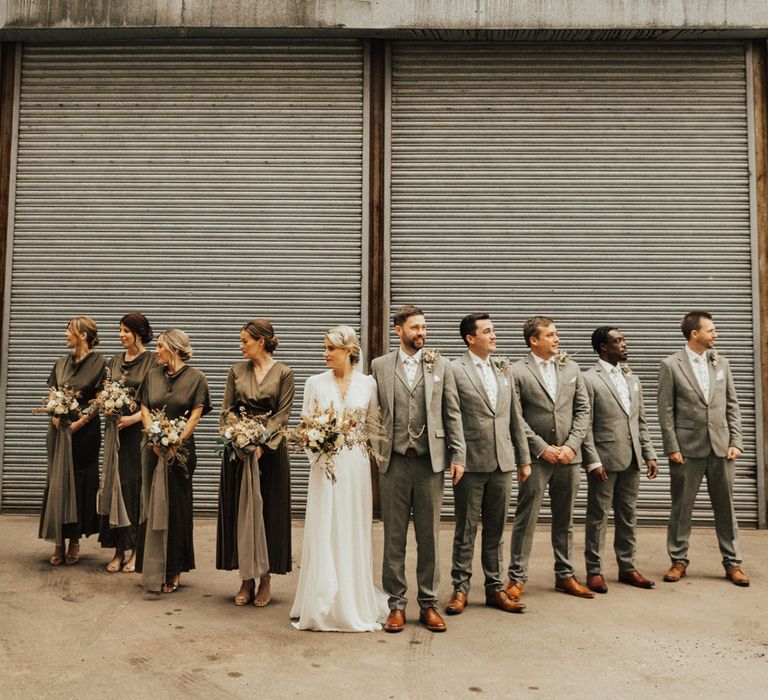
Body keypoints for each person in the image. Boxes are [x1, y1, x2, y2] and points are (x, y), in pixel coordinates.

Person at [371, 305, 466, 633]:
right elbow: (374, 410)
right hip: (394, 462)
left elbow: (453, 413)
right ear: (398, 330)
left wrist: (459, 456)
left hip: (430, 463)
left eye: (423, 327)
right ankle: (395, 604)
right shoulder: (380, 365)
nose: (421, 333)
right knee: (393, 537)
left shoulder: (441, 363)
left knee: (429, 537)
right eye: (414, 328)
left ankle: (429, 604)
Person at [290, 326, 388, 631]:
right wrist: (318, 447)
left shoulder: (368, 384)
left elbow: (373, 427)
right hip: (324, 465)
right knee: (325, 527)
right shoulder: (314, 383)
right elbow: (306, 426)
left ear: (348, 350)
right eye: (325, 348)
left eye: (331, 348)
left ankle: (353, 599)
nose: (325, 354)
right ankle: (321, 603)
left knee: (352, 527)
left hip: (355, 467)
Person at [446, 314, 529, 616]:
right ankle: (460, 589)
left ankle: (495, 587)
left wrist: (523, 458)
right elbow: (452, 416)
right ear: (471, 338)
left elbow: (514, 416)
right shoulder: (455, 369)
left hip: (503, 461)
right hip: (470, 464)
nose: (494, 336)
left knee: (496, 529)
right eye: (487, 331)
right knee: (466, 529)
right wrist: (458, 457)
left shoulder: (503, 368)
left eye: (493, 331)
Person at [657, 311, 748, 586]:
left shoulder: (721, 362)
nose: (715, 334)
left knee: (726, 507)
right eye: (711, 330)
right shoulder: (671, 365)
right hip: (686, 450)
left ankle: (733, 563)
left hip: (721, 448)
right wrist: (672, 447)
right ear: (694, 334)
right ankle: (678, 561)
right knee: (681, 507)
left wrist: (736, 441)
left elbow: (732, 404)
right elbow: (666, 410)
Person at [506, 316, 593, 600]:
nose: (557, 339)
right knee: (526, 518)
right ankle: (516, 578)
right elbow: (516, 417)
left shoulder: (571, 367)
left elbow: (583, 411)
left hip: (569, 457)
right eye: (551, 335)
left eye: (557, 334)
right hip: (538, 458)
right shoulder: (517, 371)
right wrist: (541, 448)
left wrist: (571, 446)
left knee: (565, 518)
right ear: (534, 340)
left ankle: (565, 575)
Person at [217, 319, 295, 606]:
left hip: (271, 454)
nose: (240, 346)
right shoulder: (235, 371)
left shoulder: (285, 373)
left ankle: (265, 578)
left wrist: (262, 444)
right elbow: (227, 411)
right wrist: (240, 438)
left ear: (261, 341)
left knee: (269, 513)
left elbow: (282, 415)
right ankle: (245, 579)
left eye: (244, 341)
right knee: (240, 512)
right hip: (238, 452)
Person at [581, 326, 658, 593]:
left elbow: (640, 421)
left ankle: (627, 567)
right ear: (603, 347)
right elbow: (585, 424)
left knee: (628, 515)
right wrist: (592, 460)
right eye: (618, 341)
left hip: (632, 458)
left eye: (623, 340)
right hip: (604, 458)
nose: (624, 345)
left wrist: (648, 453)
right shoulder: (589, 379)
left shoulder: (632, 378)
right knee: (598, 516)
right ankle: (594, 570)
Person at [135, 329, 212, 593]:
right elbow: (144, 407)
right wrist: (155, 437)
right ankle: (153, 566)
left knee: (177, 507)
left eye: (159, 346)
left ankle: (174, 568)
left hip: (180, 453)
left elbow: (195, 416)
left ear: (174, 348)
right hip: (151, 449)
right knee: (150, 502)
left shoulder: (196, 378)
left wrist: (174, 441)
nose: (155, 350)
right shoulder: (151, 376)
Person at [39, 316, 106, 566]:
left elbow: (101, 400)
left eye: (70, 330)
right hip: (58, 432)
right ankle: (58, 542)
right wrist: (55, 415)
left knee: (79, 484)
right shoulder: (60, 363)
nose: (66, 334)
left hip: (85, 434)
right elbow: (52, 396)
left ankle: (75, 540)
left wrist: (80, 422)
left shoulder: (100, 363)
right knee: (58, 482)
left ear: (83, 336)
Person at [98, 312, 156, 574]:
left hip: (137, 434)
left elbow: (156, 400)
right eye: (119, 330)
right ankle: (118, 549)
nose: (121, 335)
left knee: (134, 489)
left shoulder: (153, 361)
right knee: (114, 487)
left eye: (126, 331)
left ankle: (135, 551)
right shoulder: (115, 360)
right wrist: (106, 404)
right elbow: (104, 390)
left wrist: (133, 419)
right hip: (115, 433)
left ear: (139, 333)